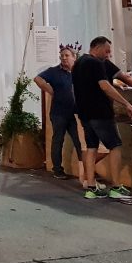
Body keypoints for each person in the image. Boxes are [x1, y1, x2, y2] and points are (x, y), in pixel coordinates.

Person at [71, 36, 132, 200]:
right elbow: (104, 86)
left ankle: (91, 187)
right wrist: (127, 103)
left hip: (84, 113)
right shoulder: (96, 63)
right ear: (96, 48)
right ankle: (116, 186)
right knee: (115, 146)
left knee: (91, 147)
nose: (109, 54)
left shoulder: (79, 62)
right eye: (106, 51)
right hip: (100, 113)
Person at [34, 45, 81, 181]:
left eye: (67, 55)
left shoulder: (78, 72)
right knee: (58, 140)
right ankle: (57, 170)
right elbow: (37, 79)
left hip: (75, 114)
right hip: (58, 113)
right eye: (62, 56)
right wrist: (49, 89)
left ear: (74, 57)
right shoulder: (53, 71)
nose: (64, 58)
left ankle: (85, 170)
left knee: (79, 141)